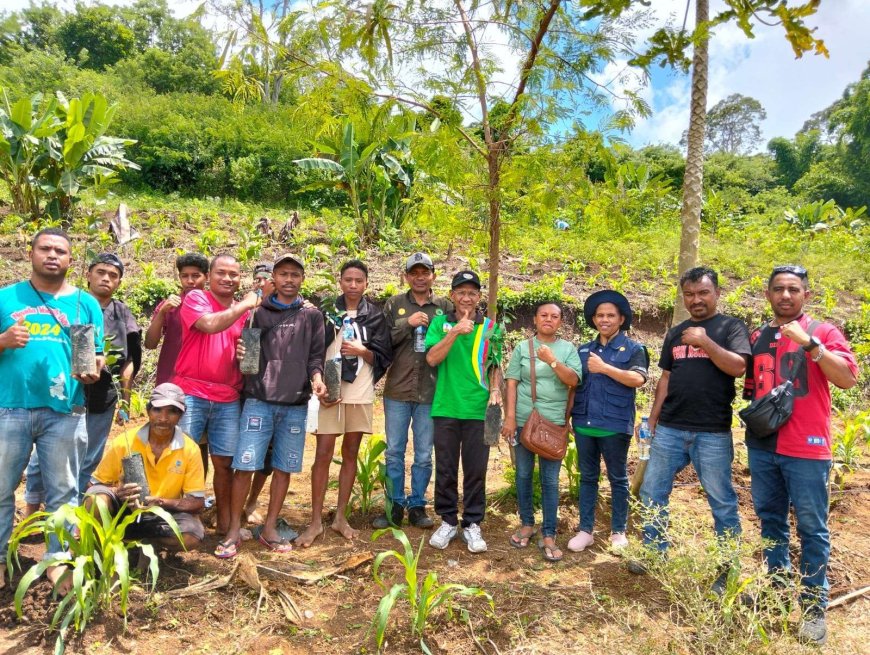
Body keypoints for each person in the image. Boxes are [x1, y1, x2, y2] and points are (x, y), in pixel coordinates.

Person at [743, 265, 858, 645]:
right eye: (779, 289)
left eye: (794, 289)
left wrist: (811, 344)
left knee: (812, 528)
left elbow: (846, 378)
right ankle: (776, 594)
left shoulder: (823, 331)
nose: (786, 295)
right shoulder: (757, 336)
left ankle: (813, 606)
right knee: (770, 521)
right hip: (763, 448)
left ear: (806, 295)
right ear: (768, 294)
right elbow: (752, 390)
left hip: (807, 449)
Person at [632, 266, 750, 595]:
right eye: (689, 294)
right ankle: (655, 552)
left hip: (712, 432)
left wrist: (705, 341)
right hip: (670, 428)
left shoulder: (730, 327)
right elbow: (666, 379)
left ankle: (728, 569)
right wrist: (652, 420)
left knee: (722, 502)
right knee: (652, 492)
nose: (695, 299)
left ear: (716, 294)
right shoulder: (676, 332)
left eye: (702, 293)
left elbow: (739, 367)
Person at [0, 228, 104, 591]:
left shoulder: (85, 303)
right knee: (1, 488)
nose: (52, 255)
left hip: (66, 409)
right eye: (45, 248)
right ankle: (0, 559)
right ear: (31, 253)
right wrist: (3, 340)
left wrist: (94, 371)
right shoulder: (5, 298)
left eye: (60, 250)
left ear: (71, 260)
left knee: (64, 491)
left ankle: (57, 560)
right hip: (9, 408)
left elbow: (97, 354)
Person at [216, 254, 327, 558]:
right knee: (245, 465)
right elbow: (249, 362)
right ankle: (233, 530)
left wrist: (317, 379)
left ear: (302, 279)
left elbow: (316, 356)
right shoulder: (258, 314)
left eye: (295, 275)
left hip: (295, 403)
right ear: (273, 279)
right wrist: (243, 356)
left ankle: (269, 529)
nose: (289, 280)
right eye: (283, 274)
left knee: (283, 467)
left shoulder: (312, 316)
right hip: (259, 401)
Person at [23, 252, 141, 514]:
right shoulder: (68, 303)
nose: (106, 279)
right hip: (65, 396)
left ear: (119, 282)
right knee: (45, 453)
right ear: (88, 275)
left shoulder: (121, 312)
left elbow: (128, 360)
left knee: (87, 455)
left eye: (113, 275)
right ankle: (32, 510)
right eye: (101, 272)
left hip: (102, 399)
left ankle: (72, 514)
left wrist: (125, 399)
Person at [296, 260, 392, 547]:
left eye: (358, 280)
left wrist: (363, 351)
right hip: (329, 389)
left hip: (360, 393)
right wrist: (317, 383)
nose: (353, 285)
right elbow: (311, 349)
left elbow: (384, 357)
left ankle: (340, 516)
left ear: (366, 284)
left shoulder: (375, 316)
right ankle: (315, 521)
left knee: (350, 452)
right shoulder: (324, 313)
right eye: (348, 279)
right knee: (323, 453)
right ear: (340, 281)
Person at [173, 254, 260, 535]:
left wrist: (243, 356)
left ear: (240, 278)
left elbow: (246, 358)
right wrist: (247, 302)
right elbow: (209, 325)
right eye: (221, 273)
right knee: (181, 458)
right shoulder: (196, 298)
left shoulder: (245, 313)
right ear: (209, 276)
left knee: (224, 463)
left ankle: (224, 523)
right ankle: (172, 524)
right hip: (192, 391)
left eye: (234, 274)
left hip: (227, 397)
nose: (227, 278)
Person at [425, 270, 503, 553]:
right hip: (446, 406)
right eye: (461, 292)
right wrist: (456, 332)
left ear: (479, 297)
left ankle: (472, 523)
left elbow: (495, 364)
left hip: (477, 408)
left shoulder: (491, 327)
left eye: (472, 293)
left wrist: (495, 389)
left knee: (475, 469)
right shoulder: (440, 323)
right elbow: (432, 358)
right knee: (445, 467)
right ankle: (447, 520)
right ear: (452, 295)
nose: (466, 298)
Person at [374, 253, 453, 530]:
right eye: (414, 273)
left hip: (431, 392)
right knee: (394, 451)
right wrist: (405, 325)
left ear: (434, 275)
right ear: (406, 276)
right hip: (397, 389)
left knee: (423, 454)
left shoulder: (445, 306)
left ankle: (417, 505)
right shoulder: (395, 304)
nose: (420, 277)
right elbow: (380, 341)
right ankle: (393, 505)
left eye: (425, 272)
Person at [568, 290, 648, 553]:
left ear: (621, 319)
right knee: (588, 477)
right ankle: (585, 530)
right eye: (600, 315)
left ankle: (618, 532)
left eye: (610, 315)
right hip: (584, 423)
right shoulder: (583, 350)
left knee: (617, 479)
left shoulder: (635, 349)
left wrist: (605, 368)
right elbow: (574, 385)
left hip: (614, 425)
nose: (604, 319)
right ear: (593, 319)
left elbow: (638, 379)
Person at [501, 302, 580, 562]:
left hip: (553, 424)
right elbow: (511, 383)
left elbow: (573, 381)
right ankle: (526, 523)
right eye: (543, 315)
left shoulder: (568, 349)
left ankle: (548, 533)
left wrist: (552, 361)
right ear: (534, 319)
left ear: (560, 321)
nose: (548, 319)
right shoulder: (523, 348)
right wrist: (510, 418)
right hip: (524, 421)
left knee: (550, 480)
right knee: (523, 475)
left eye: (554, 316)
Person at [87, 383, 206, 551]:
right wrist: (117, 492)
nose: (163, 418)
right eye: (158, 410)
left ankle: (144, 545)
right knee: (95, 500)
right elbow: (94, 485)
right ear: (148, 411)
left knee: (191, 535)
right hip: (124, 510)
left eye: (172, 411)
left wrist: (160, 502)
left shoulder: (190, 449)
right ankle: (103, 546)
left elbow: (197, 503)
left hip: (162, 514)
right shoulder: (125, 441)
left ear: (181, 415)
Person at [241, 261, 278, 524]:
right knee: (240, 452)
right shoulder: (244, 309)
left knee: (268, 454)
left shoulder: (288, 310)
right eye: (257, 278)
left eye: (266, 278)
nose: (261, 283)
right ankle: (230, 504)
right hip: (244, 390)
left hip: (274, 390)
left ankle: (252, 501)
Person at [144, 252, 208, 386]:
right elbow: (150, 344)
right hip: (171, 381)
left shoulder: (213, 304)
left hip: (203, 383)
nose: (190, 281)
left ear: (206, 277)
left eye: (196, 276)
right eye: (185, 276)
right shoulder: (169, 306)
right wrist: (162, 313)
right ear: (179, 277)